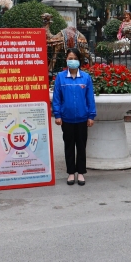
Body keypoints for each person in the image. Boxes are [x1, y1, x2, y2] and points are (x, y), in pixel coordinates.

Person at [52, 47, 96, 186]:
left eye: (75, 59)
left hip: (83, 118)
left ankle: (81, 173)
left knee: (81, 146)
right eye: (70, 59)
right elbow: (57, 98)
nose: (72, 61)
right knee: (69, 146)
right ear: (66, 60)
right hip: (67, 119)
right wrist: (57, 115)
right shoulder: (60, 77)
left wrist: (91, 116)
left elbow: (90, 99)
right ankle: (71, 173)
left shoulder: (85, 77)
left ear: (79, 61)